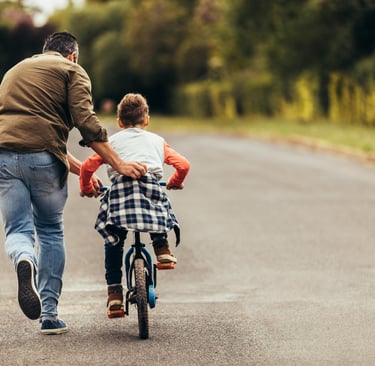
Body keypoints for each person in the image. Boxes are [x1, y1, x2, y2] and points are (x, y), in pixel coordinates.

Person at [0, 32, 147, 334]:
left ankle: (25, 259)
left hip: (4, 156)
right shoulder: (72, 70)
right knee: (50, 230)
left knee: (17, 230)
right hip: (43, 160)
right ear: (73, 55)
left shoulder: (15, 71)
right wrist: (118, 164)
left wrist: (83, 171)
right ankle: (49, 316)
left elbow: (34, 132)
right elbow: (86, 122)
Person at [80, 93, 190, 318]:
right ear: (146, 119)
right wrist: (175, 182)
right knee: (158, 203)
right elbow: (183, 165)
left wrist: (86, 187)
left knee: (114, 241)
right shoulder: (157, 141)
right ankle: (162, 249)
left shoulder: (110, 144)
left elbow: (86, 167)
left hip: (121, 197)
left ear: (119, 122)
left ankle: (114, 297)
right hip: (149, 191)